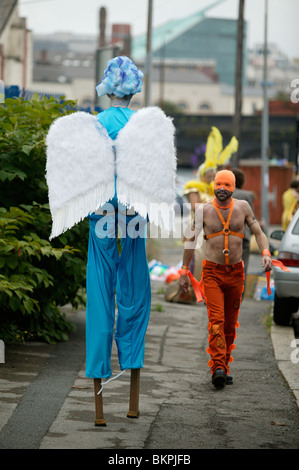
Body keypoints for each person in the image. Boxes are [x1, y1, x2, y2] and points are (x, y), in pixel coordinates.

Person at [45, 55, 177, 422]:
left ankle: (99, 406)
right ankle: (133, 397)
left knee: (101, 291)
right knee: (134, 287)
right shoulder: (144, 127)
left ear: (107, 90)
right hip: (133, 214)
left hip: (102, 214)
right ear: (133, 92)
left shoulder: (93, 126)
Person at [179, 169, 272, 388]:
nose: (222, 188)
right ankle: (218, 368)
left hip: (236, 274)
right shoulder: (203, 211)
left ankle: (224, 365)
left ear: (233, 187)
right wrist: (184, 271)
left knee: (230, 325)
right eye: (218, 184)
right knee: (216, 322)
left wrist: (266, 253)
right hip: (212, 273)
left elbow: (258, 233)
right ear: (213, 185)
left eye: (227, 185)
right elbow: (190, 240)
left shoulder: (243, 207)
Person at [231, 168, 255, 290]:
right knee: (241, 268)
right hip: (242, 237)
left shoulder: (222, 192)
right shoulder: (246, 195)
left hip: (222, 236)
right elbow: (251, 218)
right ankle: (238, 297)